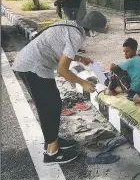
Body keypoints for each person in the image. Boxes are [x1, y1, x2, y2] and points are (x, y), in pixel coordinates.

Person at [12, 11, 107, 164]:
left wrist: (81, 58)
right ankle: (52, 154)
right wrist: (83, 83)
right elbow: (62, 70)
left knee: (51, 105)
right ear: (92, 29)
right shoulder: (77, 36)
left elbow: (61, 52)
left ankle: (53, 140)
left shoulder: (71, 25)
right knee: (51, 107)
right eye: (97, 31)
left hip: (29, 63)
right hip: (34, 67)